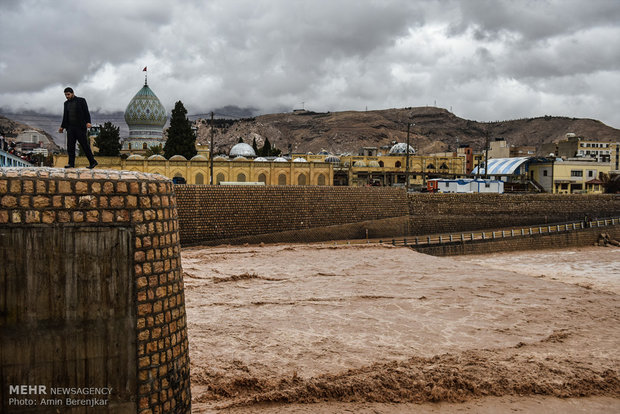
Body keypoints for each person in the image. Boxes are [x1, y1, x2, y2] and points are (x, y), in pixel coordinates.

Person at [58, 87, 98, 169]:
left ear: (72, 93)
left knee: (84, 145)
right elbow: (65, 116)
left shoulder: (81, 100)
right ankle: (71, 164)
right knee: (70, 146)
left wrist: (88, 122)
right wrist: (62, 127)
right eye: (65, 95)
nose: (67, 96)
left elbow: (86, 112)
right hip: (70, 128)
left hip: (80, 127)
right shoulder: (66, 104)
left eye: (68, 94)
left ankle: (93, 162)